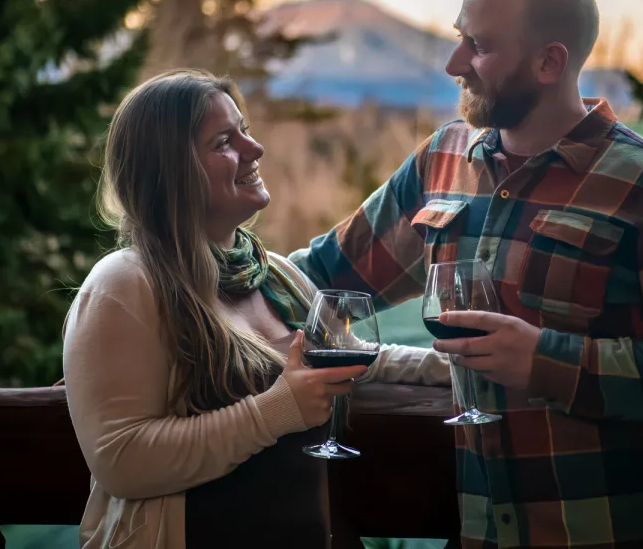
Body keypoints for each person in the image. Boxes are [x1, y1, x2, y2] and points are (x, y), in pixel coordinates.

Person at [291, 0, 643, 548]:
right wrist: (180, 272)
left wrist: (545, 360)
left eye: (480, 46)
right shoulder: (441, 162)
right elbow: (317, 279)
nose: (453, 64)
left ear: (550, 61)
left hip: (627, 533)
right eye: (458, 39)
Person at [61, 70, 450, 549]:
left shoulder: (275, 274)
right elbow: (121, 461)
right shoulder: (126, 285)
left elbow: (354, 357)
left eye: (244, 130)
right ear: (168, 170)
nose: (255, 149)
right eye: (225, 141)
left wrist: (450, 368)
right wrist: (278, 409)